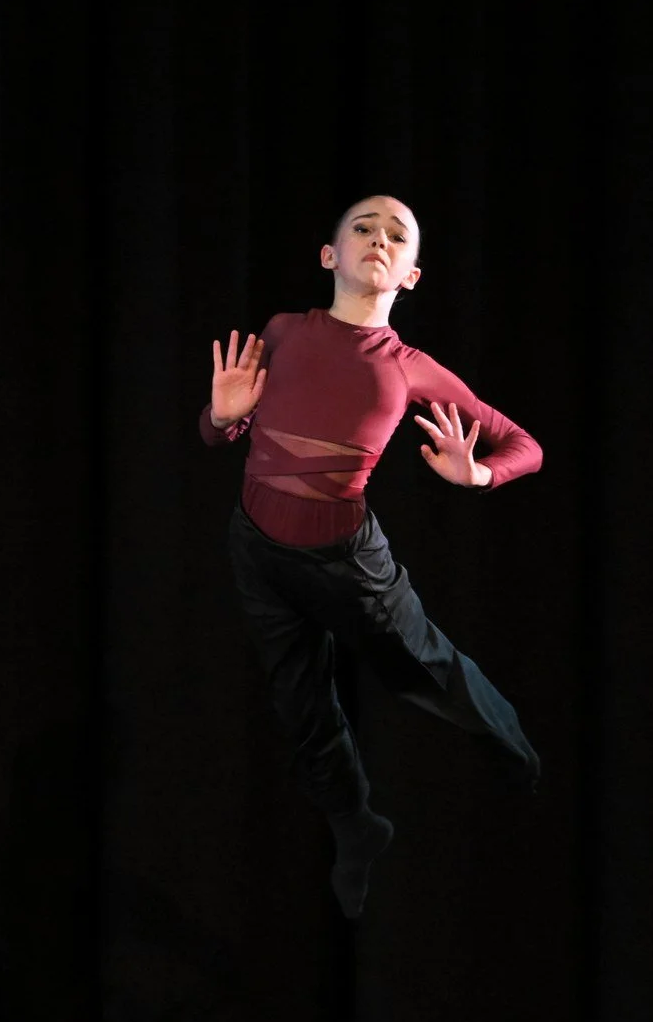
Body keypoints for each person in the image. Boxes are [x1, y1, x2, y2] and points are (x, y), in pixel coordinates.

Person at [202, 195, 543, 920]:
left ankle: (524, 762)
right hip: (257, 549)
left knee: (425, 667)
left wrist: (479, 475)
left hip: (346, 563)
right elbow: (218, 430)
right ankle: (355, 826)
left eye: (397, 236)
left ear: (411, 275)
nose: (379, 239)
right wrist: (222, 420)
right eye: (364, 228)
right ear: (331, 255)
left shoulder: (411, 366)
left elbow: (526, 446)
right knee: (301, 705)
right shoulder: (283, 331)